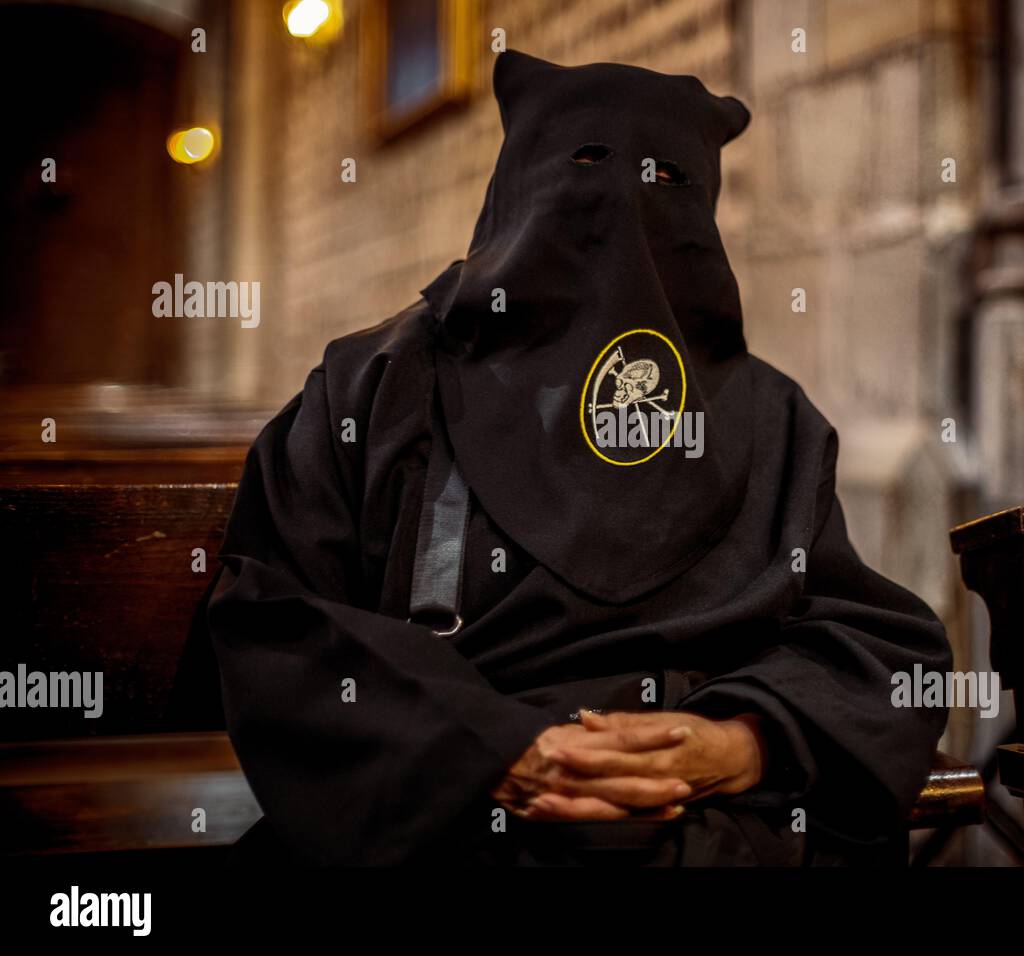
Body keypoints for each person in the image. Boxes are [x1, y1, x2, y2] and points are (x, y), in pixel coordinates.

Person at [201, 49, 952, 866]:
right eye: (588, 161)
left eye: (668, 176)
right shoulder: (375, 386)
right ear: (518, 182)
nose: (625, 201)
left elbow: (871, 641)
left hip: (699, 830)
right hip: (451, 815)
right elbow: (278, 615)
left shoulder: (773, 418)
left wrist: (742, 741)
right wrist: (495, 748)